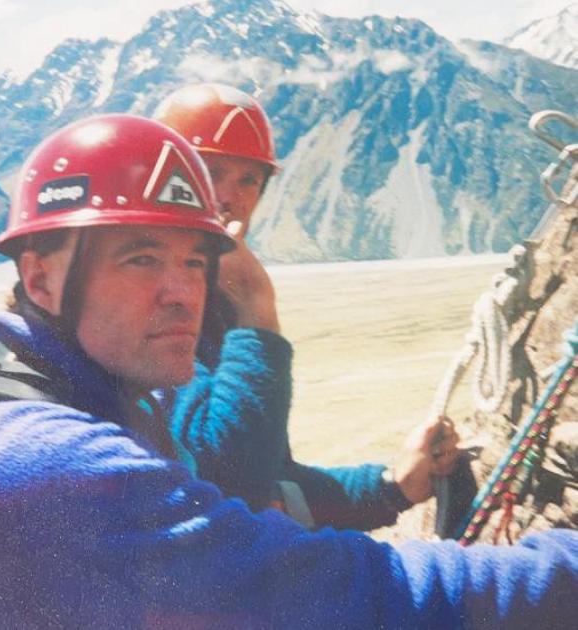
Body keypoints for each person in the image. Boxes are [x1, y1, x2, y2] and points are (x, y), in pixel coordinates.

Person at [0, 113, 576, 629]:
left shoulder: (113, 394)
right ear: (41, 278)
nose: (182, 292)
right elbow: (333, 592)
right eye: (141, 259)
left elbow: (246, 496)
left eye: (196, 262)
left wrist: (388, 488)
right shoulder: (43, 459)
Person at [157, 82, 459, 529]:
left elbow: (278, 482)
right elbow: (239, 478)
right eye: (210, 172)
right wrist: (257, 306)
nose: (230, 197)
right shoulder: (154, 306)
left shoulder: (214, 307)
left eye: (248, 180)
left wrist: (394, 486)